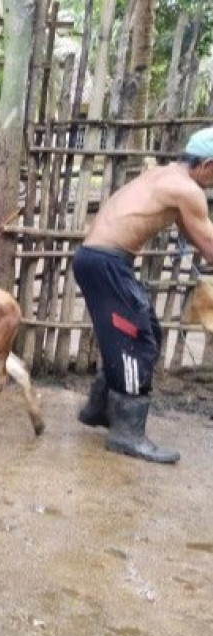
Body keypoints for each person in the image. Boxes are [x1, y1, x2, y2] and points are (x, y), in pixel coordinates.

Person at [73, 128, 213, 464]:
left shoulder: (164, 175)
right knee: (135, 342)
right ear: (208, 164)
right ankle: (127, 434)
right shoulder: (187, 190)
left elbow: (193, 233)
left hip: (98, 259)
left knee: (143, 329)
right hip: (107, 262)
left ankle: (98, 408)